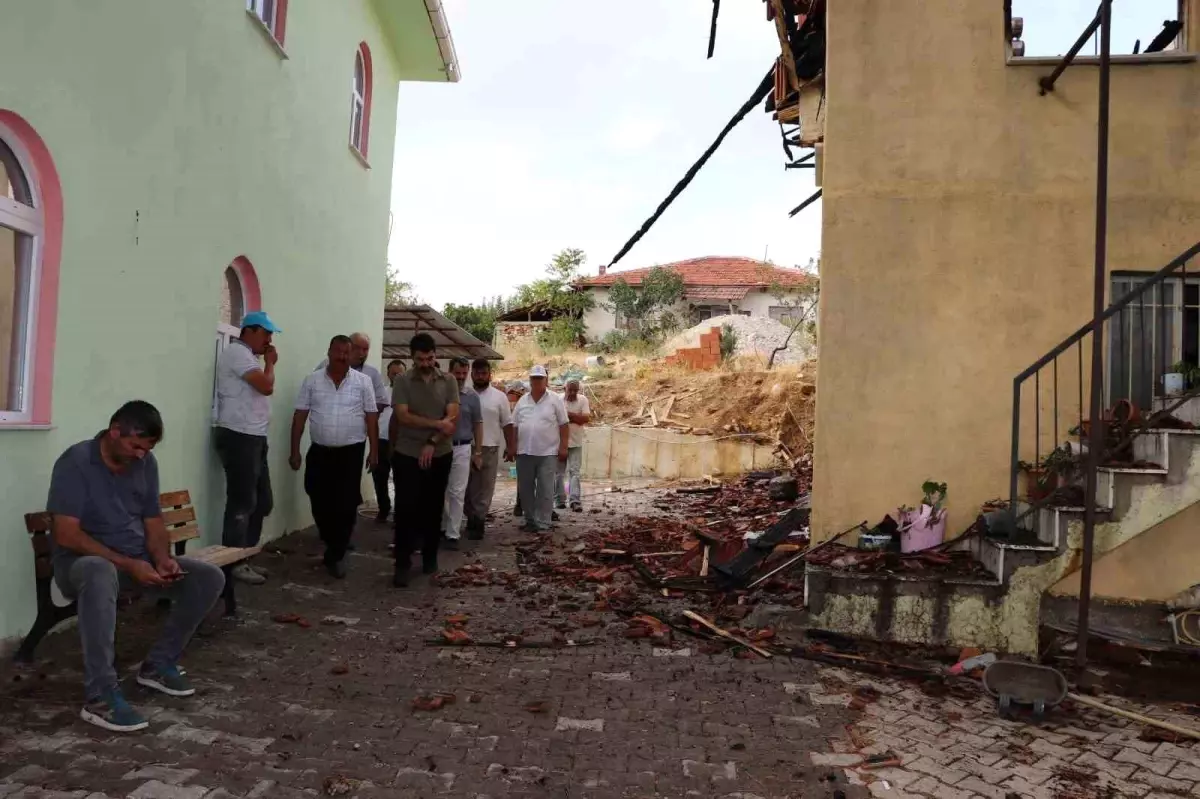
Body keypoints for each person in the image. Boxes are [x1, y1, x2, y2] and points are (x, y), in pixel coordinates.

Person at [48, 401, 226, 733]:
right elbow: (66, 533)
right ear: (115, 431)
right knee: (99, 572)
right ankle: (100, 695)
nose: (141, 454)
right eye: (135, 446)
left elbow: (153, 521)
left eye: (148, 449)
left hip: (133, 563)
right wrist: (130, 564)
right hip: (81, 567)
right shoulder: (76, 462)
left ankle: (158, 666)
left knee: (208, 578)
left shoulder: (145, 464)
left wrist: (161, 558)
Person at [290, 336, 379, 579]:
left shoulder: (363, 382)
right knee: (315, 493)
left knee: (346, 503)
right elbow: (300, 416)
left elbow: (371, 416)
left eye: (346, 353)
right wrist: (294, 450)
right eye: (337, 352)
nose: (342, 357)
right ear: (329, 352)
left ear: (351, 355)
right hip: (320, 450)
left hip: (351, 452)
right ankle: (331, 541)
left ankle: (337, 554)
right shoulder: (312, 381)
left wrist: (374, 450)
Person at [212, 310, 281, 588]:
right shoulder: (238, 353)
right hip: (238, 436)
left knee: (262, 502)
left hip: (253, 436)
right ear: (250, 331)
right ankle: (234, 564)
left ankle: (244, 557)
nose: (269, 340)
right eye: (266, 334)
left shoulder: (248, 357)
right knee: (242, 503)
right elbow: (266, 386)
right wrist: (271, 364)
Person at [390, 333, 459, 586]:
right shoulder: (402, 381)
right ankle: (402, 564)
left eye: (430, 358)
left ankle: (430, 557)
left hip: (440, 453)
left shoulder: (449, 380)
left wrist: (431, 441)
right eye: (421, 359)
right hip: (407, 453)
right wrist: (436, 424)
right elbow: (403, 416)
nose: (427, 363)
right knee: (406, 509)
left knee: (432, 508)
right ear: (412, 358)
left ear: (435, 355)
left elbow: (452, 417)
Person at [512, 365, 568, 533]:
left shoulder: (555, 400)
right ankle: (530, 520)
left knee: (545, 489)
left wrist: (563, 447)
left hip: (548, 452)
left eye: (539, 378)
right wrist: (513, 446)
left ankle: (543, 522)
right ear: (529, 380)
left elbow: (564, 424)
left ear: (546, 380)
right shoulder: (522, 400)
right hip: (524, 452)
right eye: (533, 378)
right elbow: (514, 425)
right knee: (525, 489)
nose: (536, 381)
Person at [465, 359, 515, 539]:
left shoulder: (499, 397)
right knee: (465, 487)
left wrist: (511, 447)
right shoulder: (464, 394)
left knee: (484, 488)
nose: (480, 376)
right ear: (472, 375)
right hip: (465, 447)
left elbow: (508, 423)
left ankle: (478, 522)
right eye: (477, 373)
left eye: (483, 373)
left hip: (490, 448)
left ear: (489, 374)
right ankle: (470, 517)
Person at [440, 357, 483, 550]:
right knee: (440, 489)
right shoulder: (440, 391)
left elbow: (478, 424)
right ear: (450, 371)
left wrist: (478, 451)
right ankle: (442, 526)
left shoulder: (472, 396)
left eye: (464, 373)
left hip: (462, 447)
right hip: (440, 446)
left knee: (457, 491)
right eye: (458, 373)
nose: (461, 377)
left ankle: (453, 534)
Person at [316, 331, 389, 412]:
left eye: (365, 349)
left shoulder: (372, 373)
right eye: (356, 348)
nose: (361, 353)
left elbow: (381, 402)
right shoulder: (326, 365)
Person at [371, 360, 407, 523]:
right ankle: (383, 508)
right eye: (394, 373)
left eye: (400, 373)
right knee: (379, 477)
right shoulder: (381, 394)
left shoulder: (409, 395)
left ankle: (401, 513)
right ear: (388, 374)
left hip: (402, 442)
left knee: (402, 479)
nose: (397, 376)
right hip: (381, 441)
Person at [556, 378, 591, 512]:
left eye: (575, 390)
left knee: (574, 472)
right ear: (565, 388)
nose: (572, 393)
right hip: (559, 442)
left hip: (576, 442)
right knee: (558, 473)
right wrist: (576, 417)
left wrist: (567, 415)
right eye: (570, 390)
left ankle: (575, 501)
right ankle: (559, 500)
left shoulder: (583, 400)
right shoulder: (557, 399)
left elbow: (585, 419)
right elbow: (556, 419)